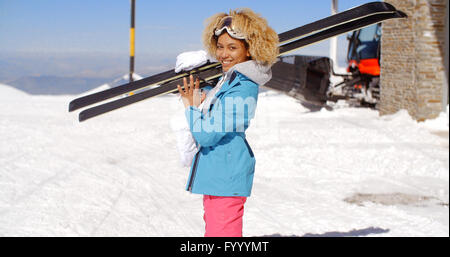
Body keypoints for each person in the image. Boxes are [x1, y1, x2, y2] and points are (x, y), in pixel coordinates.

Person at [175, 8, 279, 237]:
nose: (223, 54)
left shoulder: (243, 88)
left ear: (249, 49)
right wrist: (201, 93)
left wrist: (191, 107)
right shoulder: (231, 80)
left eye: (232, 47)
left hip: (225, 176)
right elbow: (219, 104)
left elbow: (207, 134)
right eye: (220, 47)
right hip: (217, 175)